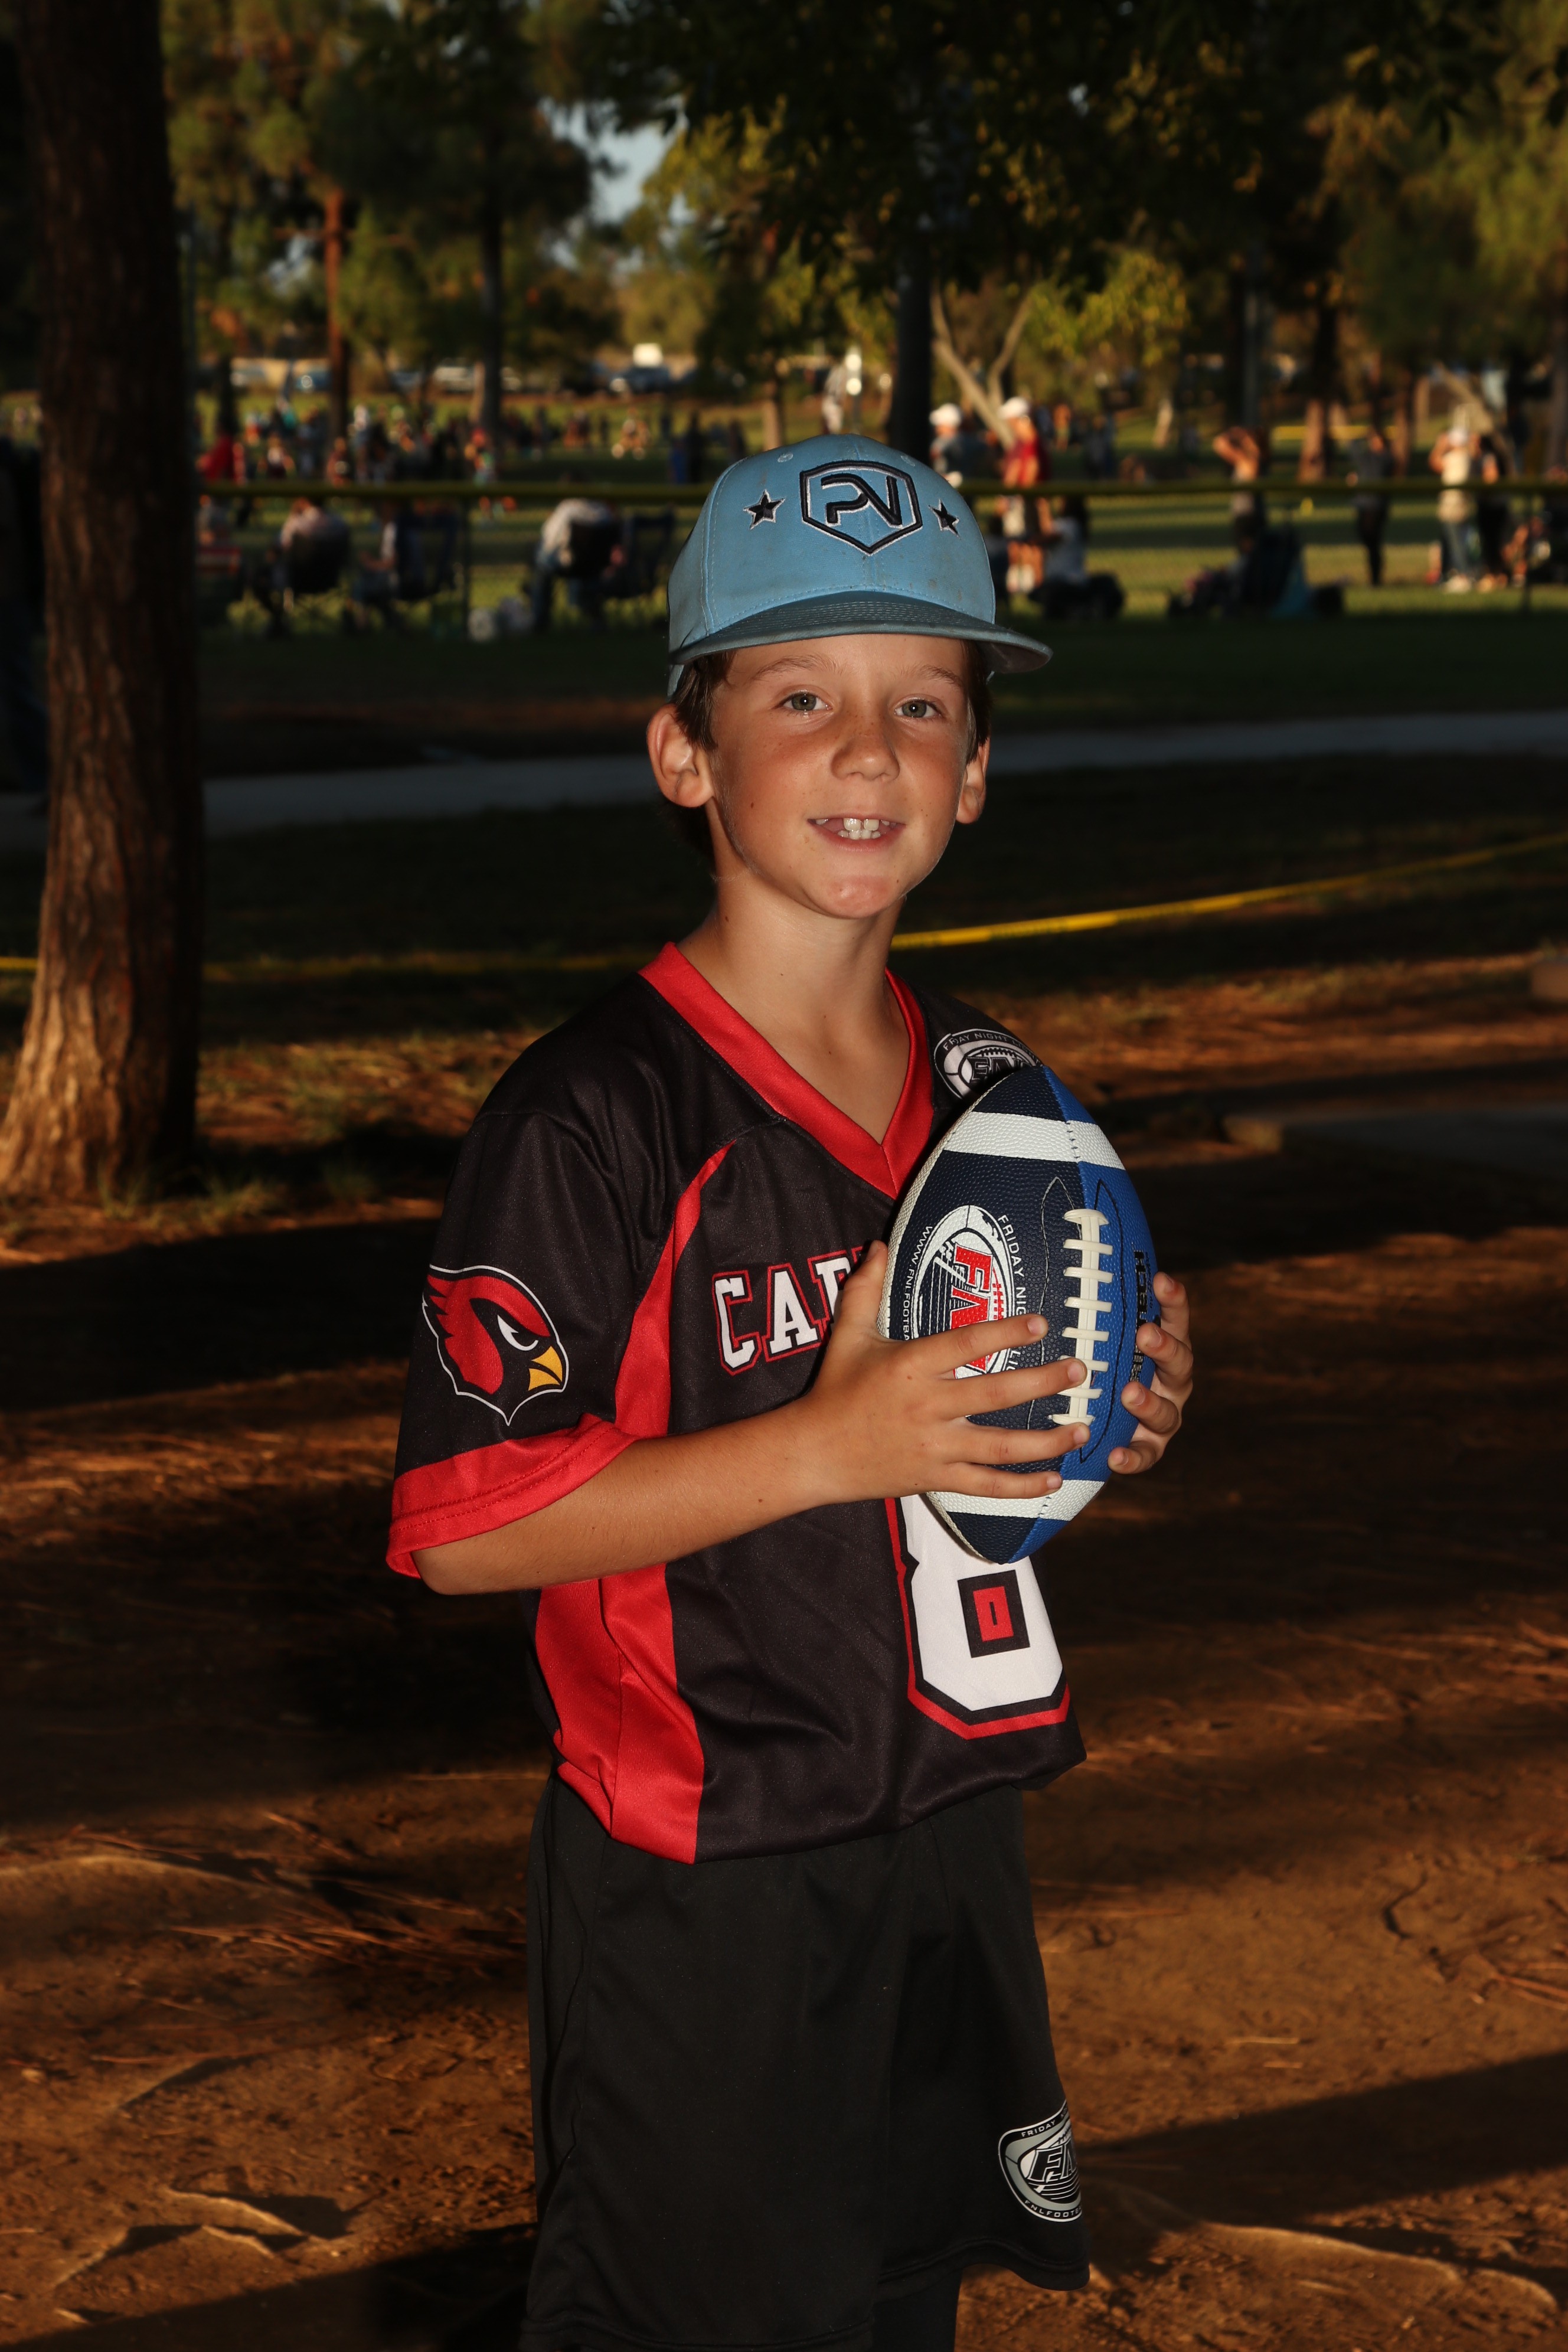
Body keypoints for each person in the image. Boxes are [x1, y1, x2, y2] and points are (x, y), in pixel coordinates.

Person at [390, 434, 1194, 2352]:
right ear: (684, 753)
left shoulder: (997, 1093)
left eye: (922, 703)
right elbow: (469, 1531)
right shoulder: (593, 1116)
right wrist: (829, 1444)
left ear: (975, 767)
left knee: (893, 2310)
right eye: (800, 696)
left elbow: (985, 1442)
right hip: (706, 1877)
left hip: (945, 1830)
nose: (868, 751)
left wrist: (1119, 1401)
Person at [0, 433, 46, 801]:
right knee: (17, 688)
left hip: (7, 594)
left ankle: (41, 775)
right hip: (11, 592)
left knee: (17, 691)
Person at [529, 486, 616, 631]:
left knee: (541, 564)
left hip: (572, 565)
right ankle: (596, 618)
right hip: (597, 567)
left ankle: (540, 619)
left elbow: (549, 539)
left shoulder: (568, 509)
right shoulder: (604, 511)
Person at [1345, 423, 1394, 587]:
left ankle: (1376, 578)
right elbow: (1353, 448)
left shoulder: (1384, 459)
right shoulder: (1369, 458)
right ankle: (1375, 576)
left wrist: (1364, 437)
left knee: (1373, 543)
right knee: (1368, 541)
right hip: (1364, 505)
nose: (1375, 443)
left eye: (1377, 440)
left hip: (1375, 507)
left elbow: (1354, 450)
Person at [1429, 418, 1475, 587]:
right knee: (1450, 541)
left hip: (1453, 505)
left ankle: (1463, 575)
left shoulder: (1456, 457)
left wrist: (1440, 446)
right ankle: (1450, 574)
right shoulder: (1465, 457)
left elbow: (1434, 462)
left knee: (1455, 541)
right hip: (1458, 505)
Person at [1213, 422, 1266, 545]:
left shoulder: (1248, 462)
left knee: (1249, 550)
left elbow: (1219, 444)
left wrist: (1236, 433)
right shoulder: (1255, 459)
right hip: (1250, 514)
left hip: (1247, 515)